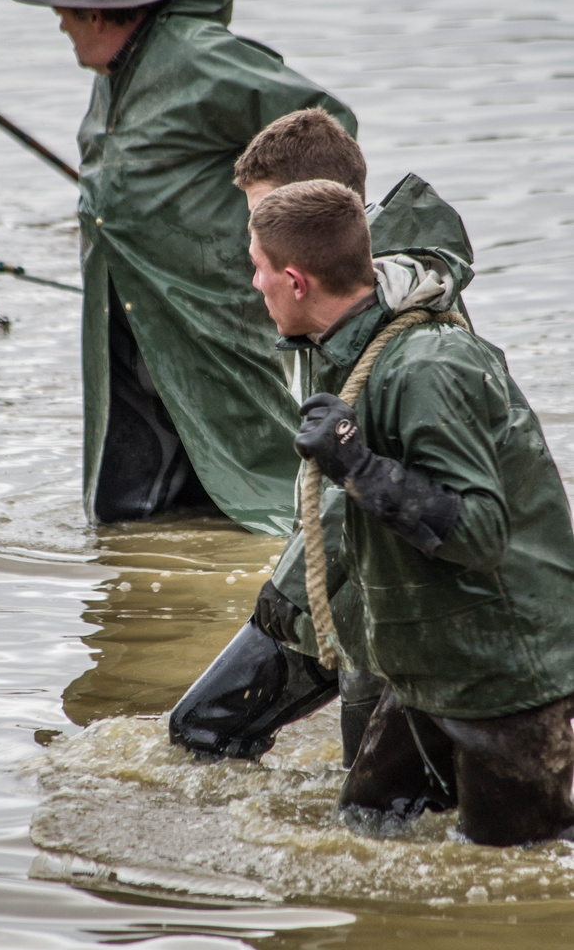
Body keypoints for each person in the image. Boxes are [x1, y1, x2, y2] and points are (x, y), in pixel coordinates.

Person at [246, 177, 574, 846]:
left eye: (256, 270)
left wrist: (357, 467)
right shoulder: (352, 354)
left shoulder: (425, 366)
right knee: (363, 832)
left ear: (295, 280)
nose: (254, 287)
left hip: (505, 683)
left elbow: (478, 533)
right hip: (429, 670)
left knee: (511, 882)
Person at [11, 0, 357, 532]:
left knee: (275, 491)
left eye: (63, 15)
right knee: (137, 514)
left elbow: (323, 124)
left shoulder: (199, 56)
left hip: (212, 306)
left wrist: (284, 237)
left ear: (96, 15)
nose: (59, 28)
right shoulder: (112, 72)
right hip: (134, 309)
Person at [169, 108, 473, 767]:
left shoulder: (392, 323)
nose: (252, 236)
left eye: (263, 214)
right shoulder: (333, 304)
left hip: (387, 590)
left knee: (207, 730)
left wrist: (283, 599)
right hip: (363, 578)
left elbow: (386, 487)